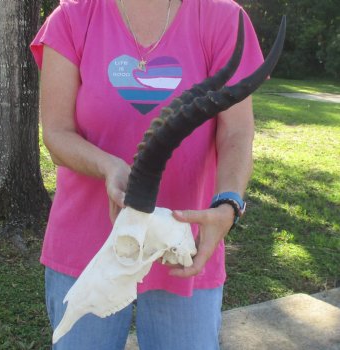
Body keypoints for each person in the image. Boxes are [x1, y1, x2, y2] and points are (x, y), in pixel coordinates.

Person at [31, 0, 264, 349]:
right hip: (89, 247)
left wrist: (228, 203)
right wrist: (109, 166)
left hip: (183, 244)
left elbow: (236, 132)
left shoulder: (223, 18)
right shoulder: (72, 17)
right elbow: (57, 133)